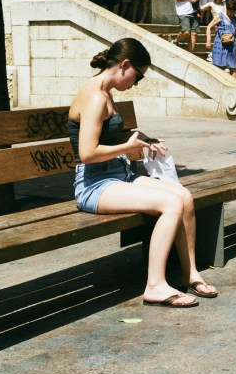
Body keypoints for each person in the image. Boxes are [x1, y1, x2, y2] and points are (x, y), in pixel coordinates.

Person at [69, 38, 217, 307]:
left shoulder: (105, 93)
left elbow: (109, 138)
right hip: (95, 185)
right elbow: (87, 153)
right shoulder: (94, 97)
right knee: (170, 203)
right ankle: (155, 285)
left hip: (117, 176)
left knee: (183, 196)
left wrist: (143, 142)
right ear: (125, 65)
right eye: (137, 77)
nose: (135, 84)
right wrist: (127, 148)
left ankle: (190, 273)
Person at [207, 0, 236, 77]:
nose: (232, 13)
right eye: (230, 11)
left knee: (233, 67)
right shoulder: (220, 16)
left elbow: (233, 27)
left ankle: (233, 87)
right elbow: (209, 27)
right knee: (223, 69)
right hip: (221, 45)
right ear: (227, 8)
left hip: (232, 45)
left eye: (233, 11)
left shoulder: (235, 17)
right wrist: (208, 41)